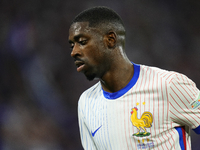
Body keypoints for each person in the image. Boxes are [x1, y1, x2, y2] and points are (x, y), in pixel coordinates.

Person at [68, 6, 200, 150]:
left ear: (110, 40)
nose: (74, 52)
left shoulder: (169, 85)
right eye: (72, 45)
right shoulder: (85, 103)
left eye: (82, 42)